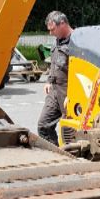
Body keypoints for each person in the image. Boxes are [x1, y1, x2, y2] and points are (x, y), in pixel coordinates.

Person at [37, 10, 74, 144]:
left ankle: (72, 160)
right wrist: (48, 81)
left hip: (68, 93)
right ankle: (55, 153)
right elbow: (54, 64)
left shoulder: (76, 42)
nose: (50, 33)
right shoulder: (57, 41)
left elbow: (80, 71)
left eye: (52, 29)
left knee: (70, 132)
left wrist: (73, 94)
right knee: (43, 125)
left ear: (62, 24)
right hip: (54, 90)